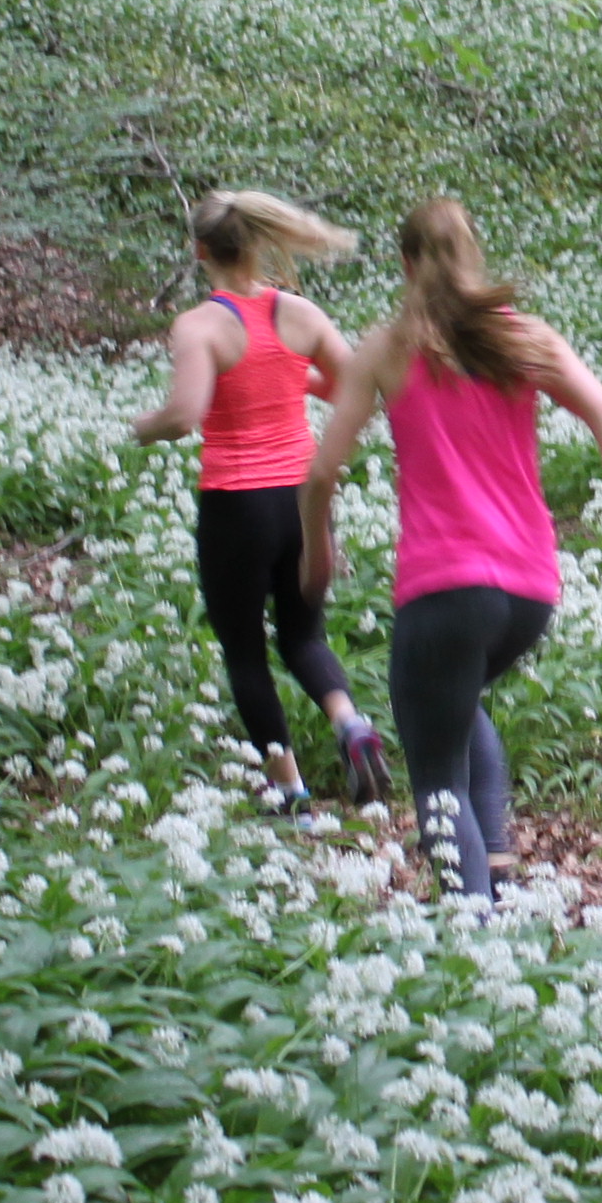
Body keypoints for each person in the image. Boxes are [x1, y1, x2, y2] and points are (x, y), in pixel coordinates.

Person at [299, 196, 602, 902]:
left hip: (443, 589)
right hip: (529, 591)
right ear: (475, 256)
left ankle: (475, 938)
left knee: (436, 775)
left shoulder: (386, 347)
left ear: (405, 265)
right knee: (460, 710)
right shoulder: (523, 337)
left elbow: (321, 474)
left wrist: (319, 548)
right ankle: (493, 871)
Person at [131, 190, 393, 817]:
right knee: (304, 635)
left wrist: (143, 426)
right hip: (303, 501)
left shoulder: (199, 326)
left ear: (201, 252)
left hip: (236, 507)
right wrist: (294, 375)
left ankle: (291, 792)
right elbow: (355, 386)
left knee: (245, 649)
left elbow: (187, 414)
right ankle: (351, 725)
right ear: (257, 244)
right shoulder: (300, 313)